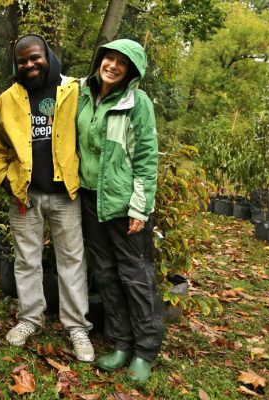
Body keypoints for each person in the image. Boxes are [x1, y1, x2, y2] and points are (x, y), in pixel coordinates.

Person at [0, 34, 94, 362]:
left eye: (35, 58)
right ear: (16, 65)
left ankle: (77, 326)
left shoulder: (75, 90)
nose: (30, 65)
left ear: (47, 55)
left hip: (66, 194)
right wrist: (5, 179)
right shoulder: (7, 99)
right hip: (26, 195)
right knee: (26, 260)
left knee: (72, 262)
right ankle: (29, 319)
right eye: (23, 61)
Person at [76, 39, 161, 381]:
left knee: (135, 276)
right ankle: (121, 343)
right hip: (89, 199)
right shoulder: (84, 94)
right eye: (108, 58)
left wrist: (139, 208)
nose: (111, 65)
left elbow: (146, 159)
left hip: (124, 205)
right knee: (107, 275)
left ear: (131, 71)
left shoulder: (136, 102)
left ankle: (145, 351)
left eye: (121, 62)